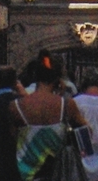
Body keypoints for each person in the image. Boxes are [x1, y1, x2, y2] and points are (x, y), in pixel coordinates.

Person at [8, 51, 86, 180]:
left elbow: (12, 140)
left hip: (24, 174)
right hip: (57, 174)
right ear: (58, 79)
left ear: (35, 75)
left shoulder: (16, 106)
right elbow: (86, 136)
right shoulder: (65, 105)